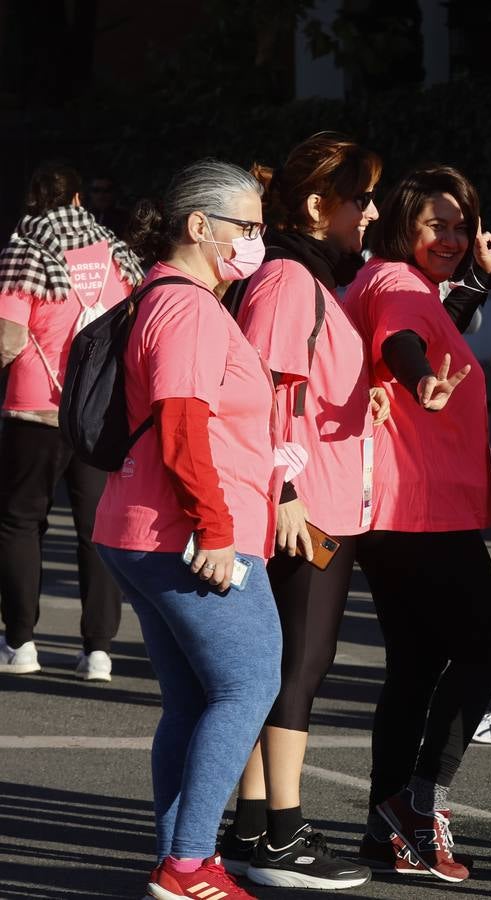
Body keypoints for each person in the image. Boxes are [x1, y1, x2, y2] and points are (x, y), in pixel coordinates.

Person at [95, 159, 282, 900]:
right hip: (185, 533)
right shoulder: (190, 307)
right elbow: (181, 419)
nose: (257, 240)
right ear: (200, 227)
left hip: (148, 528)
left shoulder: (167, 299)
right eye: (248, 226)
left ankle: (182, 857)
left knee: (196, 699)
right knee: (248, 683)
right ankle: (188, 865)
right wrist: (213, 527)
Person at [215, 134, 384, 889]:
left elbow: (298, 390)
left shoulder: (301, 274)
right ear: (320, 206)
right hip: (303, 505)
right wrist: (282, 492)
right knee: (296, 668)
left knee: (281, 666)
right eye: (361, 198)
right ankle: (282, 831)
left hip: (309, 497)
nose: (371, 213)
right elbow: (254, 391)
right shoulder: (290, 279)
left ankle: (254, 825)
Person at [342, 164, 491, 884]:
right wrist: (419, 382)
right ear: (404, 225)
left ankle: (386, 823)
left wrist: (478, 282)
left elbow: (432, 318)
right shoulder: (397, 285)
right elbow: (401, 341)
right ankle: (421, 801)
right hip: (416, 508)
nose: (454, 236)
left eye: (462, 223)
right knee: (488, 646)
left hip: (399, 508)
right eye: (437, 224)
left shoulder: (398, 281)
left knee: (413, 664)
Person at [0, 161, 142, 680]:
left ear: (33, 203)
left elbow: (9, 338)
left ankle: (21, 643)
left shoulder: (25, 252)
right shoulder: (118, 254)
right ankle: (98, 651)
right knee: (95, 529)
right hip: (98, 411)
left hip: (34, 409)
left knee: (21, 522)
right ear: (80, 200)